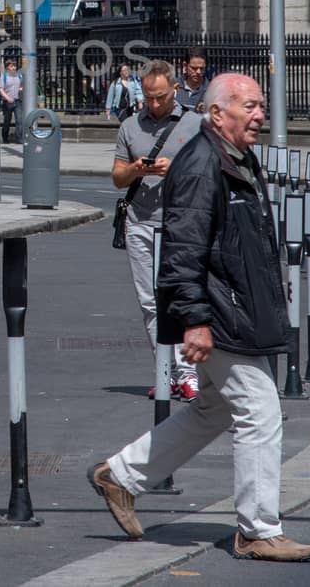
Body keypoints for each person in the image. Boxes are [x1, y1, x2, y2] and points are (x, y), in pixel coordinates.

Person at [89, 73, 310, 562]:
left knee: (215, 408)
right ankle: (257, 529)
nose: (260, 115)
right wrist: (194, 319)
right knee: (259, 409)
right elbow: (183, 250)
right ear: (217, 114)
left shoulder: (234, 157)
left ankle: (120, 476)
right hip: (217, 311)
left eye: (260, 106)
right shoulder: (200, 165)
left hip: (226, 306)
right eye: (249, 107)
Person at [110, 61, 204, 401]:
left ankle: (189, 373)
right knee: (150, 303)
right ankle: (168, 371)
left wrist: (175, 168)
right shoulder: (130, 126)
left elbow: (209, 171)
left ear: (174, 89)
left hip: (182, 223)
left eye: (160, 97)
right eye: (148, 97)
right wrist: (136, 169)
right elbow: (117, 177)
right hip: (140, 221)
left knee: (182, 297)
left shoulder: (195, 123)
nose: (153, 104)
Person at [175, 48, 208, 113]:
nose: (198, 72)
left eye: (202, 68)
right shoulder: (173, 86)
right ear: (185, 66)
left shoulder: (211, 90)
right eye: (194, 68)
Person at [0, 57, 23, 143]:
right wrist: (7, 98)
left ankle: (19, 138)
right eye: (12, 66)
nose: (14, 68)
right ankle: (5, 138)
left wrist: (20, 89)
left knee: (19, 120)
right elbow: (1, 89)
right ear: (7, 67)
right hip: (7, 102)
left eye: (15, 66)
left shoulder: (19, 75)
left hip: (17, 101)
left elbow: (20, 86)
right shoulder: (4, 76)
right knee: (7, 121)